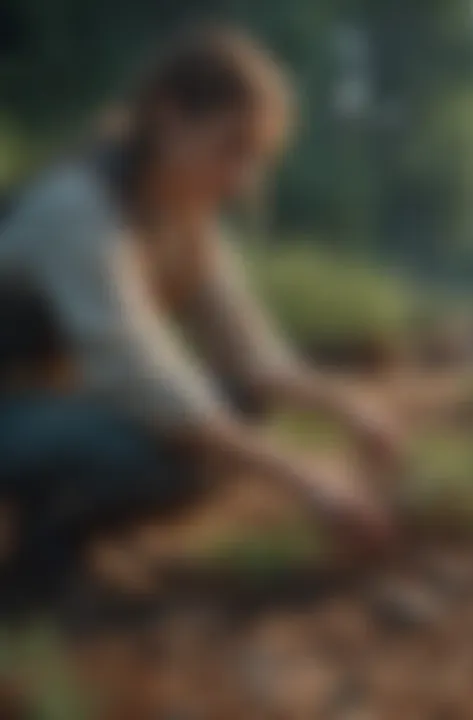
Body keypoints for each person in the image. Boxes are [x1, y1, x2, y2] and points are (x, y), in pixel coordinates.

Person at [0, 27, 400, 598]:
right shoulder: (77, 208)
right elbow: (141, 375)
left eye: (255, 158)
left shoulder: (179, 214)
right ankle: (40, 561)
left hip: (37, 404)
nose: (241, 179)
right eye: (231, 147)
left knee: (237, 409)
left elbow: (254, 355)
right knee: (164, 444)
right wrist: (309, 480)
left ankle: (56, 532)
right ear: (168, 117)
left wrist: (353, 411)